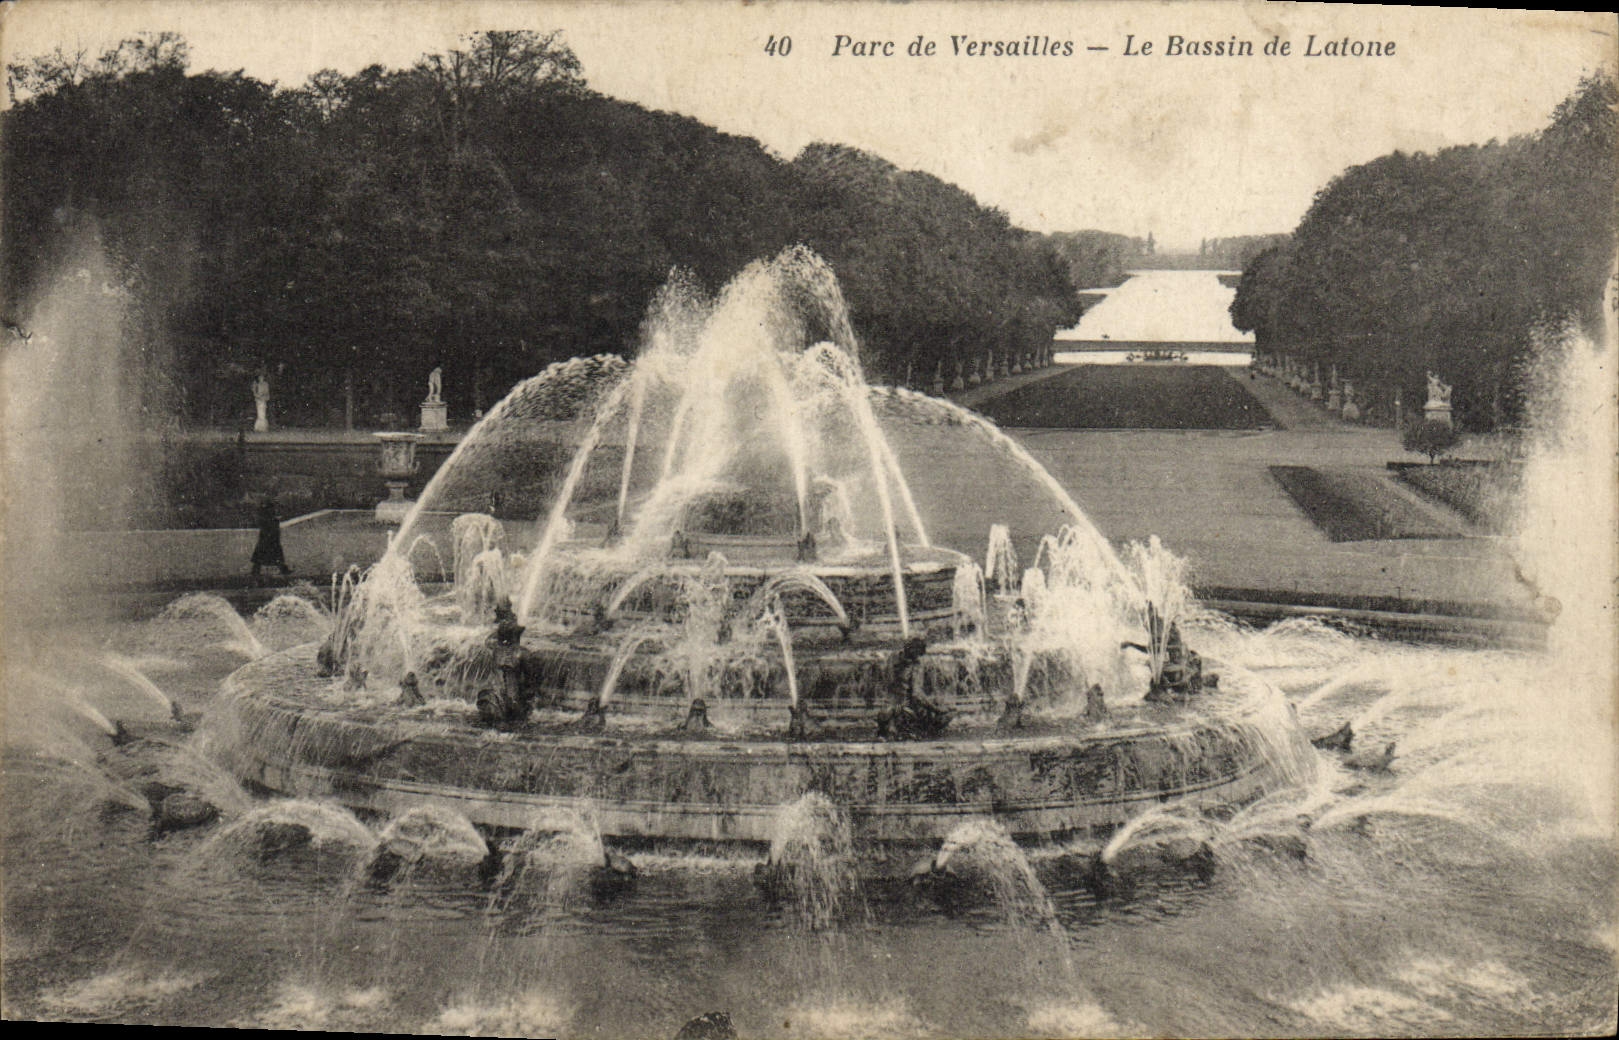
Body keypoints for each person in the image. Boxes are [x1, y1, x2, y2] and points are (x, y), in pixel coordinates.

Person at [251, 495, 292, 581]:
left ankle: (256, 570)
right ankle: (282, 569)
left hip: (269, 535)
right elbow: (266, 522)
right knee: (271, 552)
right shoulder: (265, 514)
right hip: (269, 535)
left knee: (265, 553)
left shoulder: (265, 513)